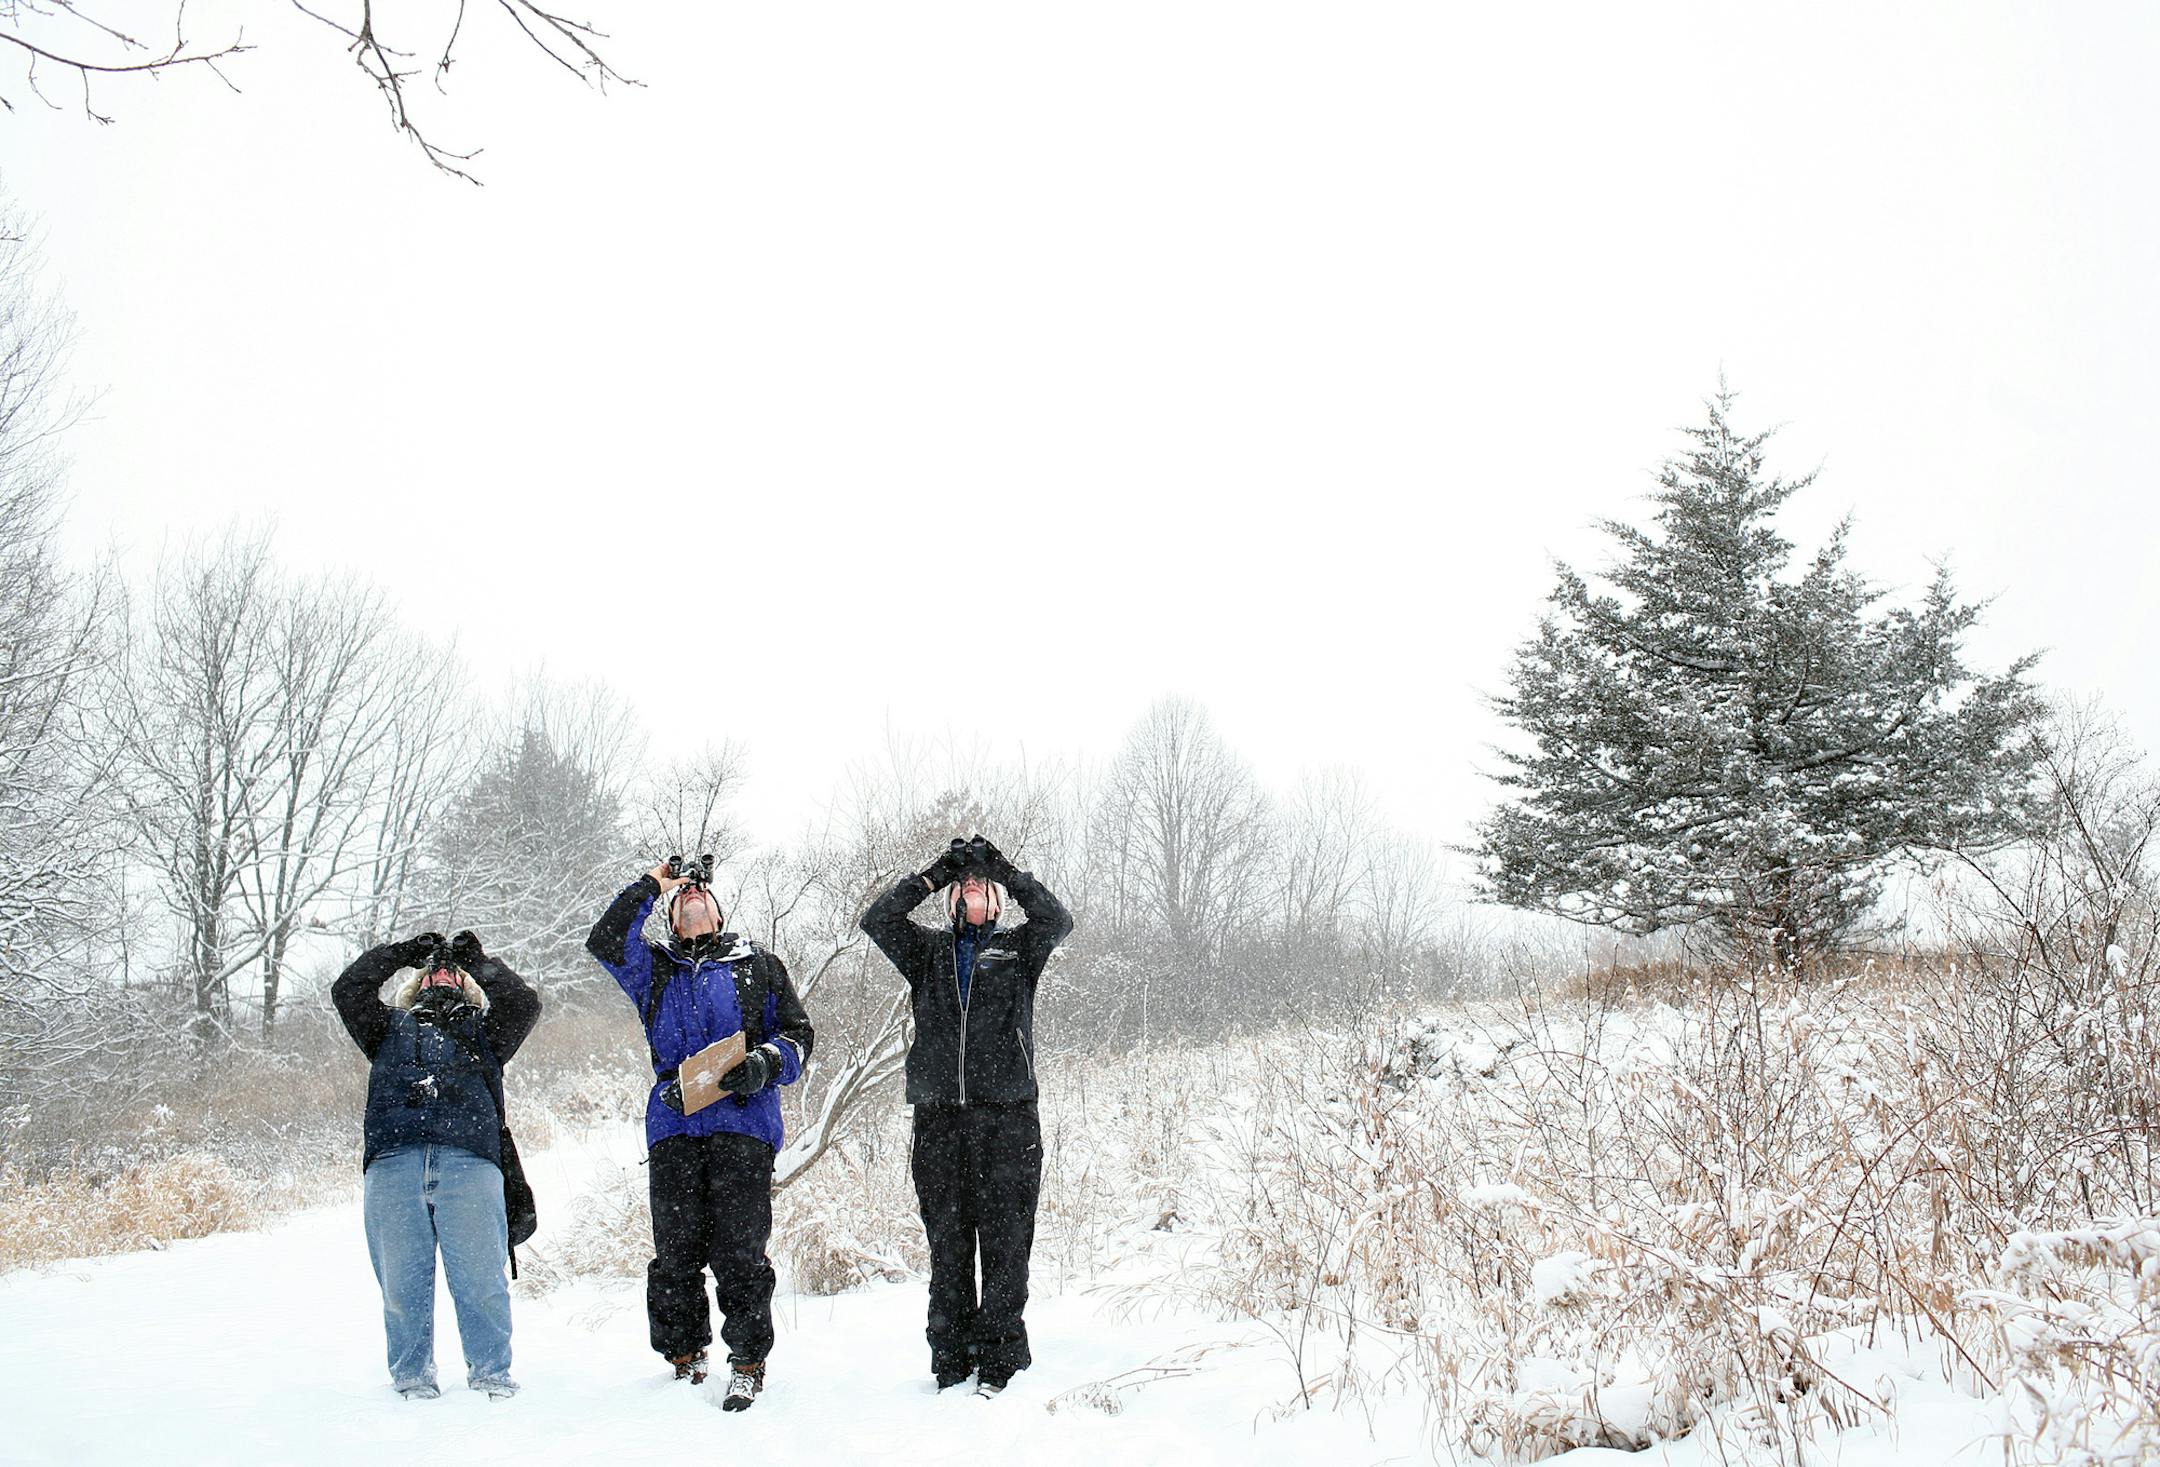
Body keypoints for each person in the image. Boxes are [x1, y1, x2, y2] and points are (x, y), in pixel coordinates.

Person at [585, 855, 814, 1411]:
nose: (692, 896)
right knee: (676, 1252)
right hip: (675, 1126)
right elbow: (606, 939)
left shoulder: (757, 965)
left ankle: (748, 1361)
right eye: (681, 896)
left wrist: (765, 1062)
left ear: (719, 911)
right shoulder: (654, 969)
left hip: (743, 1124)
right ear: (669, 916)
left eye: (701, 893)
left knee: (740, 1252)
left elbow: (799, 1036)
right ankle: (684, 1356)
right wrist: (654, 882)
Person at [860, 834, 1073, 1397]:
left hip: (1008, 1119)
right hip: (939, 1121)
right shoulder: (927, 954)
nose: (971, 886)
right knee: (948, 1246)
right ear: (950, 902)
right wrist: (936, 873)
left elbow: (1056, 919)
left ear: (997, 902)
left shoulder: (1019, 951)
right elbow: (879, 920)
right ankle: (952, 1360)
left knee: (1006, 1243)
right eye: (963, 885)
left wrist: (1004, 869)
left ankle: (1000, 1360)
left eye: (981, 884)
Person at [332, 929, 542, 1401]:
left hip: (470, 1162)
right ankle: (412, 1381)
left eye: (453, 972)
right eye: (431, 971)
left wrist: (478, 960)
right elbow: (349, 989)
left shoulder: (485, 1034)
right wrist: (404, 954)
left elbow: (522, 1003)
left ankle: (492, 1377)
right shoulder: (387, 1029)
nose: (441, 974)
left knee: (482, 1282)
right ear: (414, 986)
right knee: (401, 1288)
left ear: (468, 987)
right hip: (392, 1165)